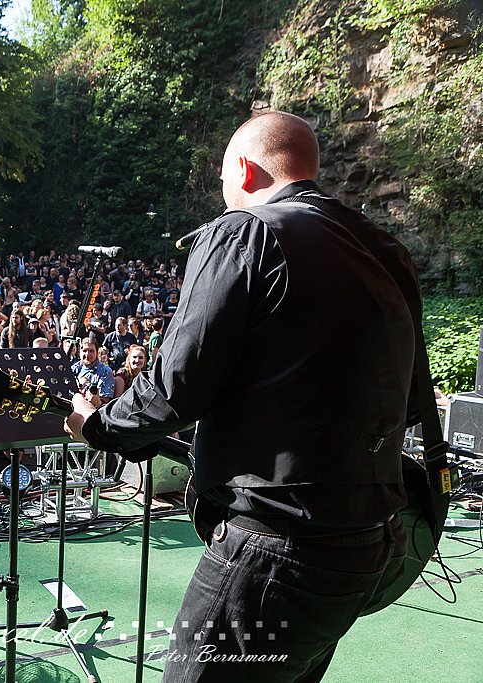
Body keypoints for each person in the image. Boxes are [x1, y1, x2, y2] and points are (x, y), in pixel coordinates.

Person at [64, 111, 417, 682]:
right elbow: (408, 399)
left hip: (277, 545)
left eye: (225, 180)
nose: (224, 194)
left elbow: (174, 389)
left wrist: (101, 425)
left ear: (246, 171)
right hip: (371, 539)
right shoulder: (383, 247)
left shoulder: (246, 231)